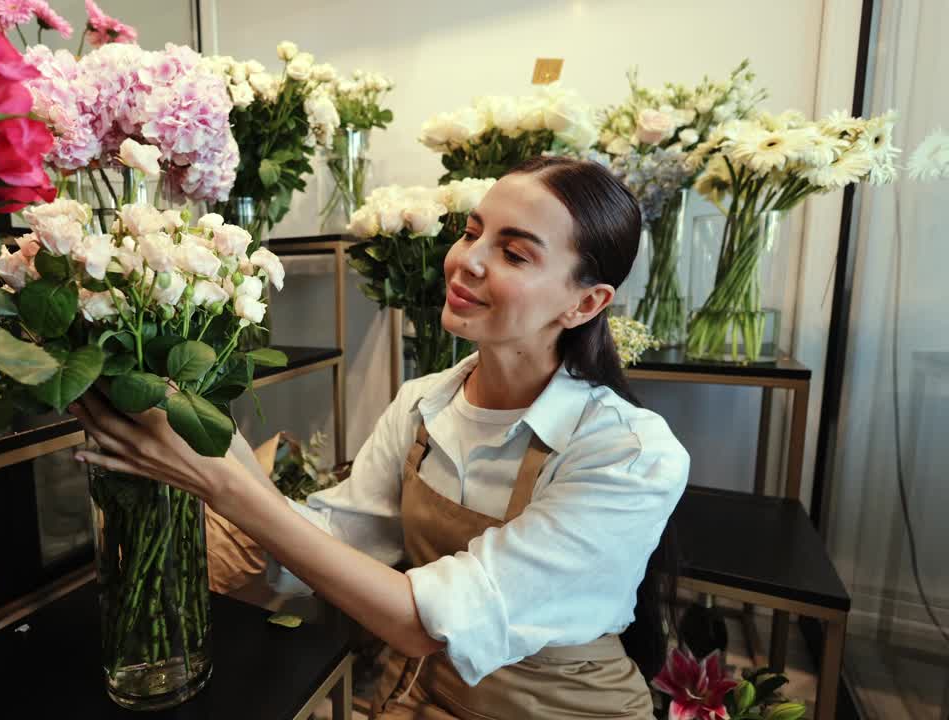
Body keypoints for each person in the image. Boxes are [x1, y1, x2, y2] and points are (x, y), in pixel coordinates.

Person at [71, 156, 690, 719]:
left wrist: (227, 486)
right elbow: (340, 539)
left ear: (585, 304)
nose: (467, 261)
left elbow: (425, 624)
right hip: (422, 692)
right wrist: (202, 449)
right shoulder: (424, 403)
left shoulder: (629, 454)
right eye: (473, 232)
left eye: (515, 253)